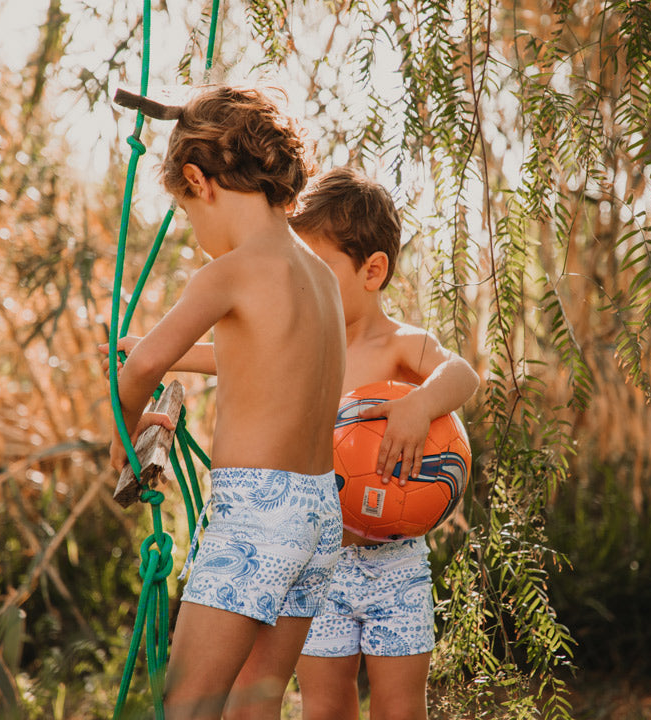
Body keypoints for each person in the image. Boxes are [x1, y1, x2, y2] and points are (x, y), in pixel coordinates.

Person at [105, 85, 346, 720]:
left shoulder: (229, 272)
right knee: (253, 705)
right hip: (321, 512)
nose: (194, 230)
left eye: (186, 212)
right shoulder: (320, 277)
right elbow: (267, 362)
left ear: (198, 180)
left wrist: (122, 442)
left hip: (255, 513)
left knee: (188, 705)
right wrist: (158, 350)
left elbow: (142, 368)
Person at [288, 167, 480, 720]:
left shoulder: (402, 344)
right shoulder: (301, 345)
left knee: (399, 707)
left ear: (372, 271)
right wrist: (157, 352)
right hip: (318, 558)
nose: (303, 286)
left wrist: (420, 404)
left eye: (318, 270)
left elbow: (462, 374)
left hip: (396, 565)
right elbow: (228, 358)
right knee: (324, 706)